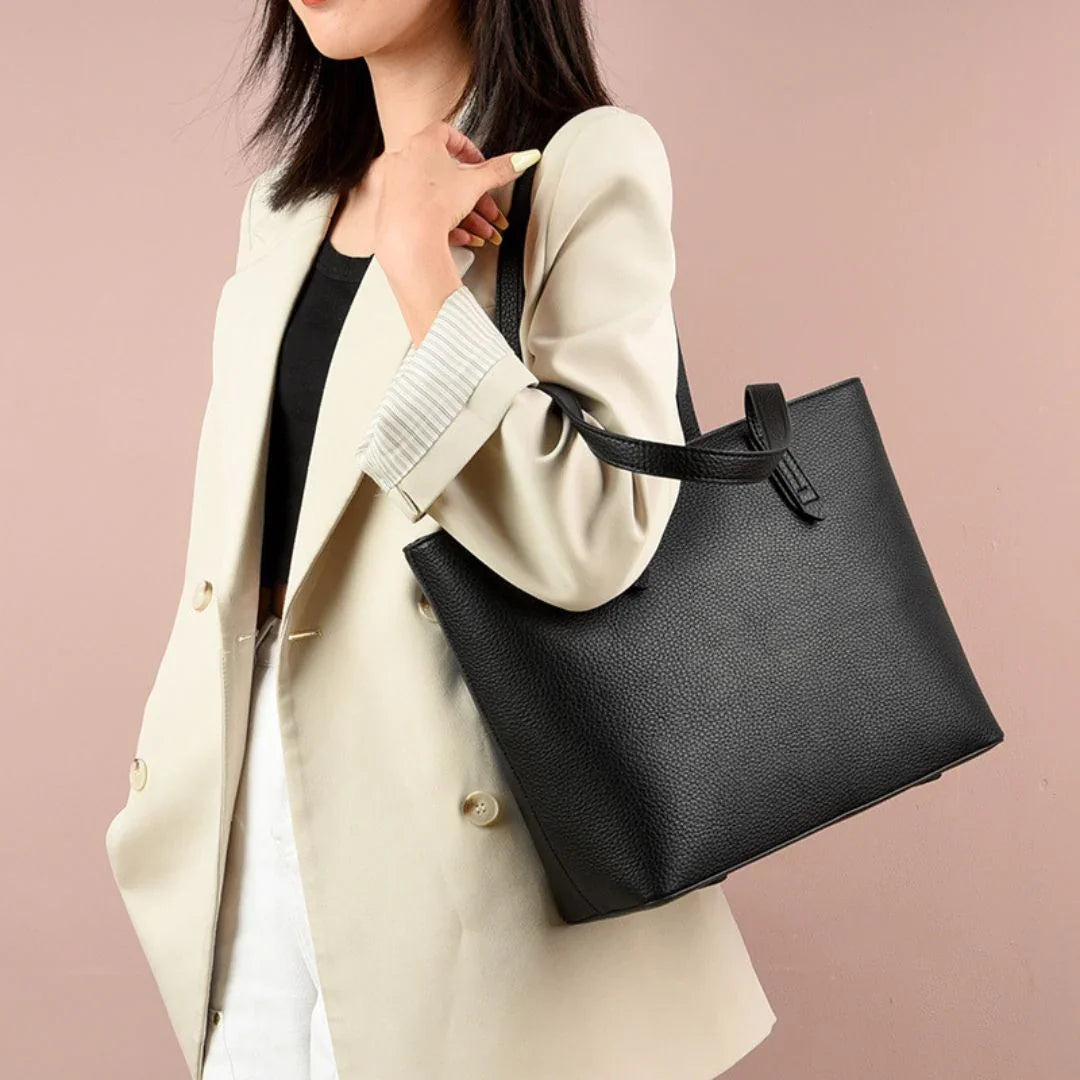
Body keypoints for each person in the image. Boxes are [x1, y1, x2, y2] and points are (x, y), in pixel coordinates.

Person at [103, 1, 778, 1077]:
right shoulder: (285, 212)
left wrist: (425, 273)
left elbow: (595, 538)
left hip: (468, 842)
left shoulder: (583, 166)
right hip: (256, 802)